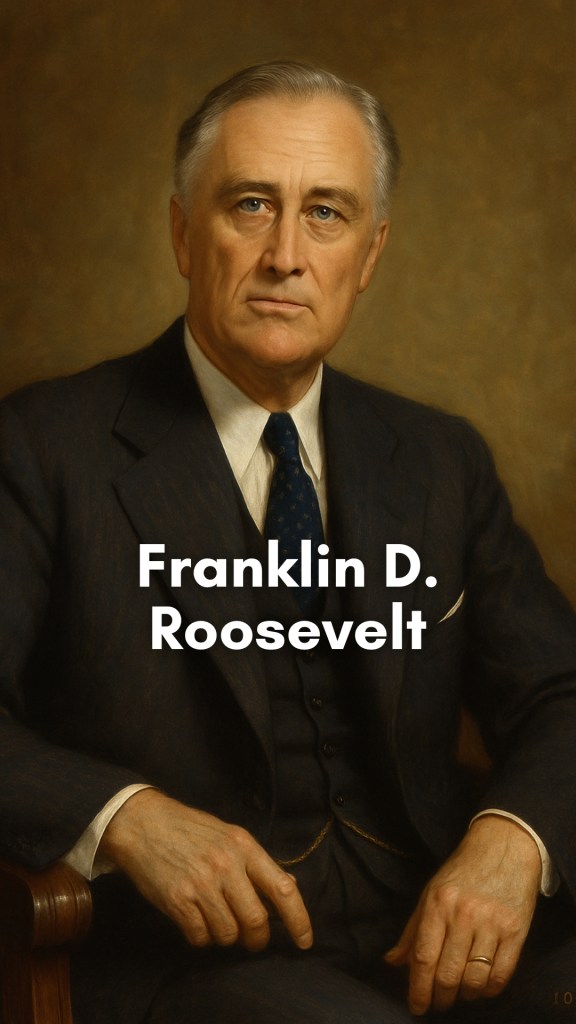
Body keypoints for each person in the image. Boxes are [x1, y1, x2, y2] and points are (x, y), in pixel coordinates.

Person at [1, 61, 575, 1024]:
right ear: (185, 234)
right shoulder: (39, 448)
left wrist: (514, 839)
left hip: (435, 936)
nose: (284, 255)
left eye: (326, 214)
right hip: (193, 970)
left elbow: (561, 691)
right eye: (251, 205)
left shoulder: (439, 459)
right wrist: (123, 815)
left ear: (372, 253)